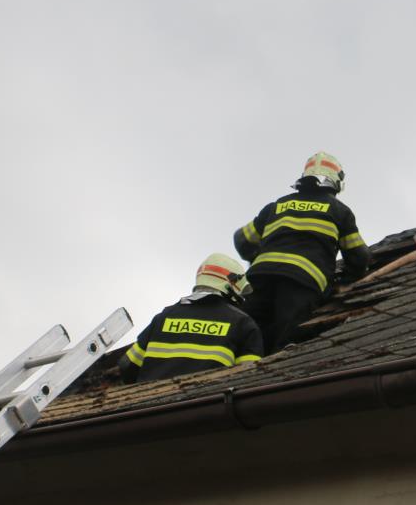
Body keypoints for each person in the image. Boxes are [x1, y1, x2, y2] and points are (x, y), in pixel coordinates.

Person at [233, 151, 371, 353]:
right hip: (302, 283)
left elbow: (242, 240)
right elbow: (358, 256)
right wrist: (347, 279)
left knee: (247, 336)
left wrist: (258, 259)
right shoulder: (339, 211)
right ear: (337, 181)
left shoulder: (276, 206)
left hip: (259, 279)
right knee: (285, 346)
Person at [120, 254, 265, 383]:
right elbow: (250, 377)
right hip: (207, 403)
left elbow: (127, 365)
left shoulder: (164, 317)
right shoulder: (243, 323)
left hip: (152, 403)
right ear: (231, 284)